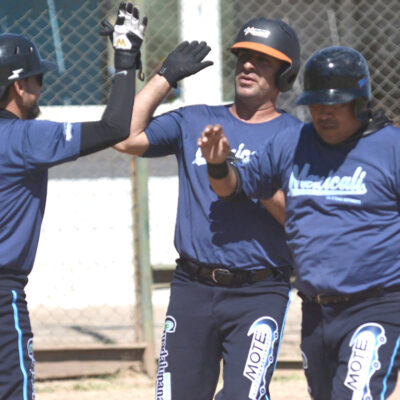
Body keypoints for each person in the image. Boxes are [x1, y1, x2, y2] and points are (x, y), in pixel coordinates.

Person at [114, 17, 302, 400]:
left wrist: (247, 179)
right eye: (243, 57)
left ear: (286, 75)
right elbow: (124, 137)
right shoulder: (196, 119)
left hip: (259, 291)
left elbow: (300, 220)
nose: (247, 65)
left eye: (261, 60)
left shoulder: (296, 136)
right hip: (192, 289)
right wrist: (164, 76)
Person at [198, 46, 400, 399]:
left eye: (334, 105)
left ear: (359, 102)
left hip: (376, 306)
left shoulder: (391, 148)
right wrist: (218, 166)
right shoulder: (294, 142)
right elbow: (237, 188)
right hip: (316, 311)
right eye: (316, 105)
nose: (323, 114)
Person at [0, 2, 146, 399]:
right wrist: (125, 62)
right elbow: (115, 127)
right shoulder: (26, 138)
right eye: (37, 80)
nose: (39, 89)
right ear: (18, 86)